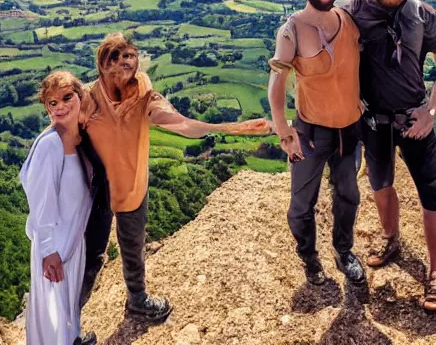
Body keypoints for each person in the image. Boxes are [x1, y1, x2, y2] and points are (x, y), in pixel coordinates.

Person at [78, 32, 272, 322]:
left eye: (128, 58)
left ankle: (137, 300)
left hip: (131, 185)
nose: (122, 65)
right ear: (101, 65)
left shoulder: (143, 94)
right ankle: (69, 322)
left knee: (133, 246)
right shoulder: (87, 99)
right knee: (89, 260)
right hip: (93, 193)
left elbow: (179, 123)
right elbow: (62, 135)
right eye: (113, 59)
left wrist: (228, 128)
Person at [340, 0, 436, 311]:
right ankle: (391, 237)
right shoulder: (356, 8)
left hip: (413, 120)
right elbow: (325, 24)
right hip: (374, 120)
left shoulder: (423, 14)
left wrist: (432, 112)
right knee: (381, 185)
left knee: (432, 196)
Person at [267, 0, 365, 288]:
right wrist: (283, 130)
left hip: (349, 131)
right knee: (301, 205)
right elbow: (276, 84)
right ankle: (309, 258)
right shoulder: (292, 29)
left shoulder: (349, 21)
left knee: (349, 195)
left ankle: (344, 251)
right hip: (310, 133)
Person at [20, 71, 97, 345]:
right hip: (53, 245)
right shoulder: (50, 144)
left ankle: (74, 340)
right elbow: (40, 203)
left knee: (67, 305)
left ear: (80, 97)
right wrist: (48, 251)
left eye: (67, 97)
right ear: (46, 108)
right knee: (52, 316)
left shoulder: (80, 138)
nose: (61, 106)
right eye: (52, 103)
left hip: (72, 241)